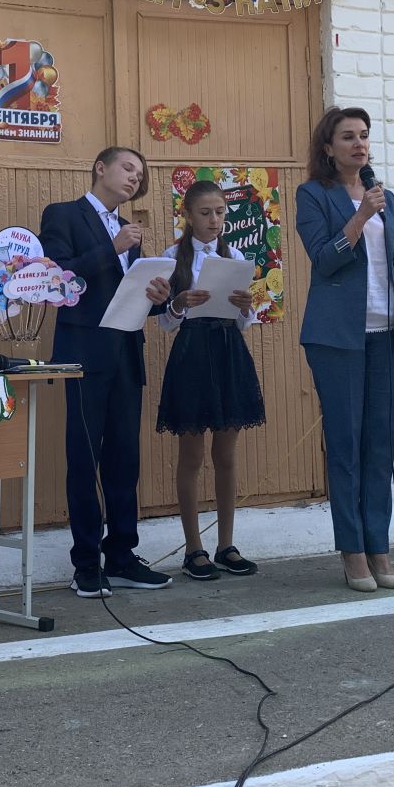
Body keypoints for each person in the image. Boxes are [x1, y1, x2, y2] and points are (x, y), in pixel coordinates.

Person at [295, 107, 394, 592]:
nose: (359, 144)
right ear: (328, 148)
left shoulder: (384, 196)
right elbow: (324, 260)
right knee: (346, 445)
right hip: (336, 338)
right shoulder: (313, 194)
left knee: (379, 445)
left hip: (387, 335)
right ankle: (352, 552)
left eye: (364, 136)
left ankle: (378, 547)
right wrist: (361, 216)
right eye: (347, 136)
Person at [40, 146, 173, 598]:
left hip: (126, 353)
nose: (135, 178)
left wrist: (160, 300)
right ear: (101, 167)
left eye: (140, 173)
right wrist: (111, 248)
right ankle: (85, 563)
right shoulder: (63, 215)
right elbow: (57, 278)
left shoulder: (127, 229)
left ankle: (121, 556)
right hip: (83, 355)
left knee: (124, 459)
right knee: (83, 459)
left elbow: (128, 296)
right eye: (128, 168)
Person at [155, 180, 267, 581]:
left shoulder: (234, 255)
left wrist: (245, 306)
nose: (214, 220)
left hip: (227, 352)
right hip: (191, 354)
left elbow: (244, 323)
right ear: (187, 215)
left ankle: (226, 545)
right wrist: (178, 304)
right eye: (205, 213)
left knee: (227, 456)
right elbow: (165, 324)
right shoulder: (172, 257)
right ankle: (193, 548)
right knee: (192, 456)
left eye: (220, 212)